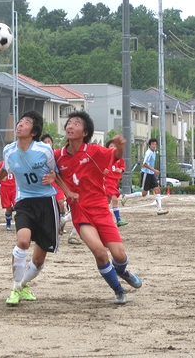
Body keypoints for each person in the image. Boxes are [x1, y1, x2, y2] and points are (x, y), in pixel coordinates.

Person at [54, 111, 142, 304]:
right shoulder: (57, 156)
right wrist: (67, 191)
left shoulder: (94, 151)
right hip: (81, 212)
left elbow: (114, 156)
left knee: (119, 255)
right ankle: (118, 291)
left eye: (76, 123)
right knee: (100, 252)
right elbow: (53, 175)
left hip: (101, 209)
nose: (70, 125)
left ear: (85, 132)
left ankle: (122, 271)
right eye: (69, 123)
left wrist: (119, 148)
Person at [0, 110, 68, 306]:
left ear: (34, 131)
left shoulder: (44, 151)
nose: (20, 125)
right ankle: (15, 289)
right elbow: (5, 169)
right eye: (20, 121)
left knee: (38, 261)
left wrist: (64, 188)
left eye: (26, 122)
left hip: (47, 203)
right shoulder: (9, 150)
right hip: (24, 202)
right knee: (22, 242)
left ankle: (23, 284)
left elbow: (57, 172)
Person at [120, 138, 168, 215]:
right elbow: (145, 164)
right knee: (144, 193)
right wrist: (154, 170)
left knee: (157, 190)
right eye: (153, 144)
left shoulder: (154, 152)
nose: (154, 145)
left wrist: (153, 171)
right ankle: (127, 196)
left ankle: (159, 209)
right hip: (146, 174)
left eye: (155, 144)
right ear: (149, 145)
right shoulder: (148, 152)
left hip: (151, 174)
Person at [40, 133, 68, 231]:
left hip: (56, 181)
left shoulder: (56, 154)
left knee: (60, 203)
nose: (47, 143)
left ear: (52, 143)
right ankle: (53, 224)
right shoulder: (40, 155)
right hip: (46, 182)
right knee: (49, 206)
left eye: (49, 141)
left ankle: (62, 220)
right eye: (45, 142)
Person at [104, 139, 128, 227]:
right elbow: (100, 167)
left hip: (115, 181)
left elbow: (122, 167)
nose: (113, 148)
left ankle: (103, 217)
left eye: (114, 146)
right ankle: (118, 220)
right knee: (115, 199)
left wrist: (120, 170)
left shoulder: (119, 158)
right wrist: (103, 171)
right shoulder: (105, 157)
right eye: (111, 146)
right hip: (108, 180)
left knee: (106, 201)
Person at [0, 160, 16, 231]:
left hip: (15, 187)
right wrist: (0, 179)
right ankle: (8, 224)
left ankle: (12, 213)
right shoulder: (1, 164)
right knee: (8, 207)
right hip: (5, 188)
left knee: (19, 206)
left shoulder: (17, 162)